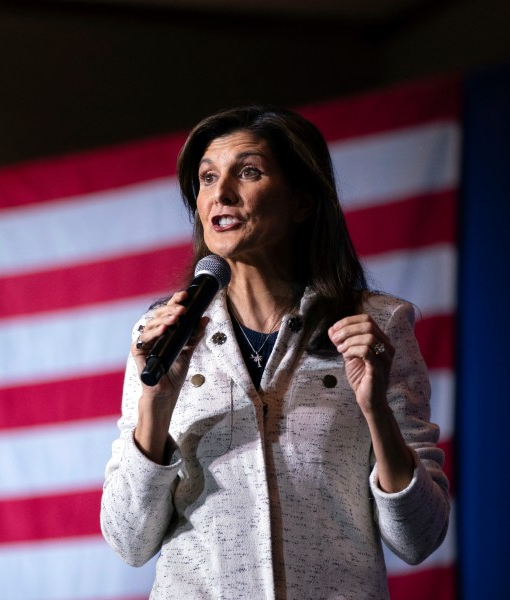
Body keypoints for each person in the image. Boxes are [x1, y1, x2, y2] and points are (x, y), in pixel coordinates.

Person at [99, 106, 449, 599]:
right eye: (206, 178)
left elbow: (419, 538)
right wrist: (154, 405)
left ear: (302, 200)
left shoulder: (377, 329)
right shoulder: (163, 334)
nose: (220, 194)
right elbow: (129, 540)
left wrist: (376, 413)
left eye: (249, 172)